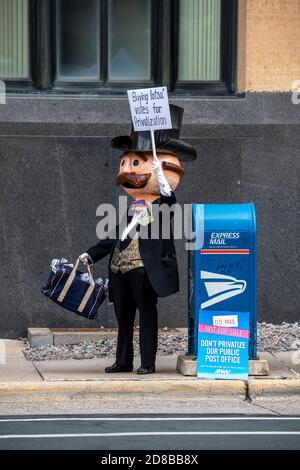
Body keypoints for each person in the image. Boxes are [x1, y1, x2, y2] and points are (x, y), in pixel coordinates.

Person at [80, 105, 197, 374]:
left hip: (145, 269)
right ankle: (123, 360)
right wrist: (91, 254)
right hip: (120, 269)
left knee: (146, 315)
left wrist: (158, 175)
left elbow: (170, 199)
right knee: (123, 318)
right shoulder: (133, 207)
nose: (127, 170)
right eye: (125, 163)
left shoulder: (161, 207)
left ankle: (147, 362)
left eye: (135, 162)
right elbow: (114, 237)